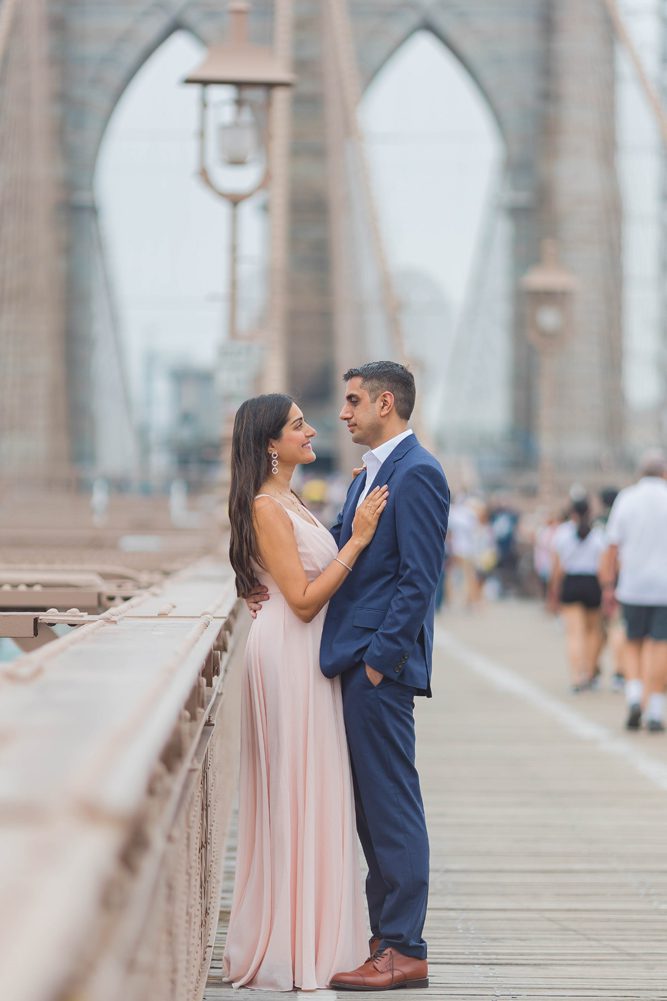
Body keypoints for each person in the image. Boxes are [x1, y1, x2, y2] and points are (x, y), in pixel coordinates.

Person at [249, 362, 450, 991]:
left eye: (353, 401)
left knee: (391, 808)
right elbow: (338, 554)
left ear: (385, 403)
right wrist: (269, 591)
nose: (342, 414)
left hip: (374, 669)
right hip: (349, 663)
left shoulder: (417, 473)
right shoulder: (371, 474)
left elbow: (420, 581)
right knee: (370, 811)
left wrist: (378, 661)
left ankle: (404, 947)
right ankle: (383, 940)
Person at [223, 392, 390, 990]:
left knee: (312, 789)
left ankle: (308, 934)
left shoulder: (288, 499)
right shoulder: (268, 506)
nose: (313, 430)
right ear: (271, 443)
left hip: (304, 654)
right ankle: (296, 945)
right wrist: (360, 537)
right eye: (299, 425)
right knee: (299, 789)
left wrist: (354, 510)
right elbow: (298, 601)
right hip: (291, 653)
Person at [599, 449, 667, 732]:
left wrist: (607, 585)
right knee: (660, 645)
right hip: (664, 586)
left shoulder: (626, 499)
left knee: (633, 642)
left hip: (633, 584)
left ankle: (635, 696)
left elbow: (612, 547)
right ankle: (655, 711)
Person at [549, 496, 605, 692]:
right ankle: (589, 672)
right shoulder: (598, 534)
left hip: (571, 583)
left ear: (572, 512)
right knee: (592, 632)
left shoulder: (562, 533)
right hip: (592, 584)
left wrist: (554, 590)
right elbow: (602, 566)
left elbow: (556, 567)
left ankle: (576, 676)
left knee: (574, 633)